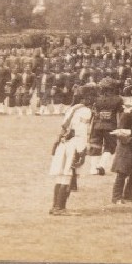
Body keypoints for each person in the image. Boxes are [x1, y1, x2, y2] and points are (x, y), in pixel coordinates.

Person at [47, 86, 95, 215]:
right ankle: (60, 208)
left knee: (61, 175)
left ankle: (55, 206)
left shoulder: (72, 108)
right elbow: (81, 132)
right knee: (68, 175)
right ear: (86, 98)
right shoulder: (85, 111)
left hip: (64, 143)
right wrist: (81, 150)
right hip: (74, 144)